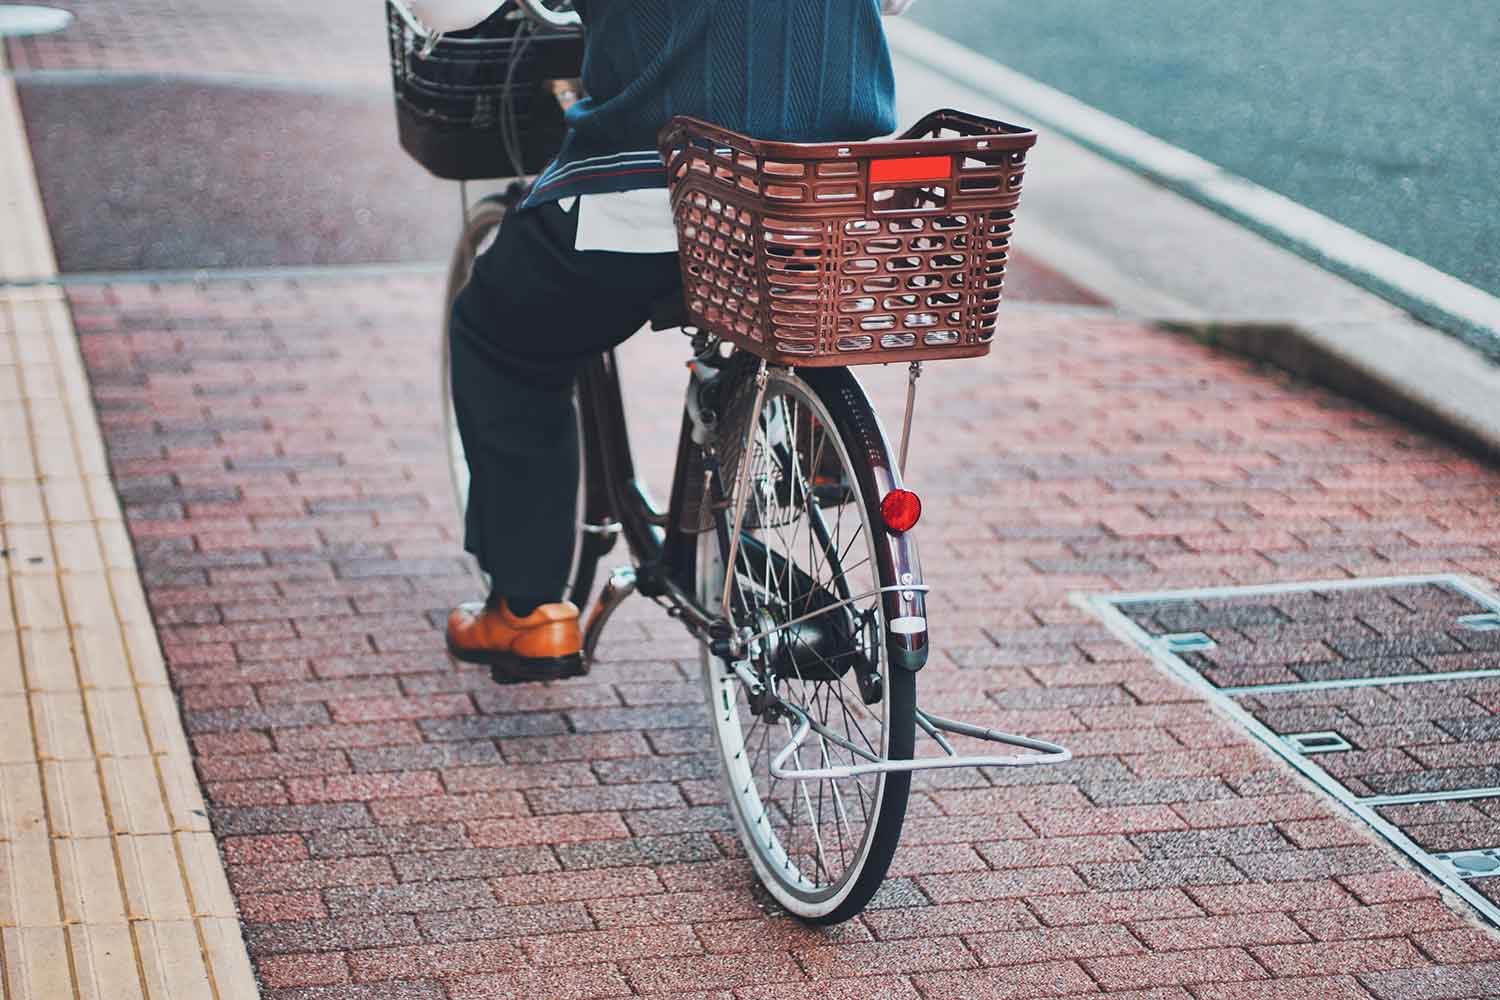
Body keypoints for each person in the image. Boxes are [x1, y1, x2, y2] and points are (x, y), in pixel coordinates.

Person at [438, 0, 916, 682]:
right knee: (774, 274)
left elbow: (450, 14)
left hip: (659, 189)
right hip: (828, 190)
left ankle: (529, 610)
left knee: (498, 335)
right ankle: (809, 438)